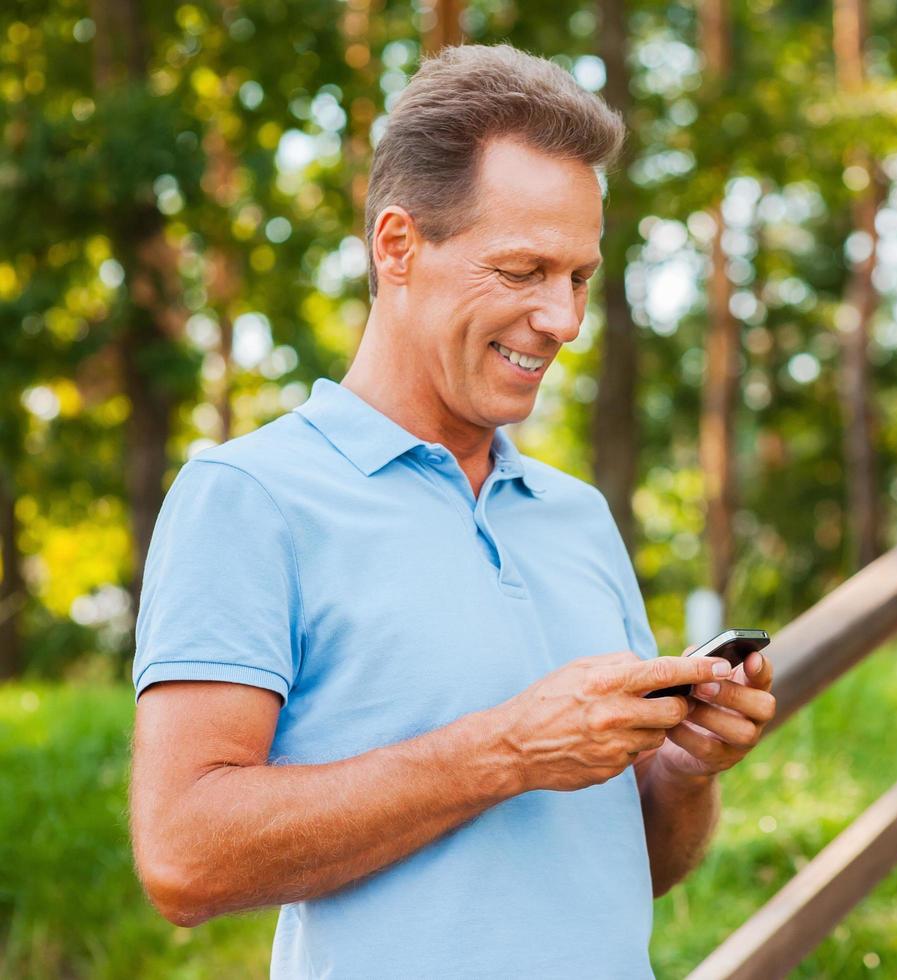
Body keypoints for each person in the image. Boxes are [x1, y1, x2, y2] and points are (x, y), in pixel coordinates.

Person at [128, 44, 776, 978]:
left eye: (579, 277)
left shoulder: (577, 515)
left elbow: (636, 869)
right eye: (523, 271)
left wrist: (683, 771)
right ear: (398, 246)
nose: (563, 319)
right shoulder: (249, 497)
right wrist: (508, 749)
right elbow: (183, 858)